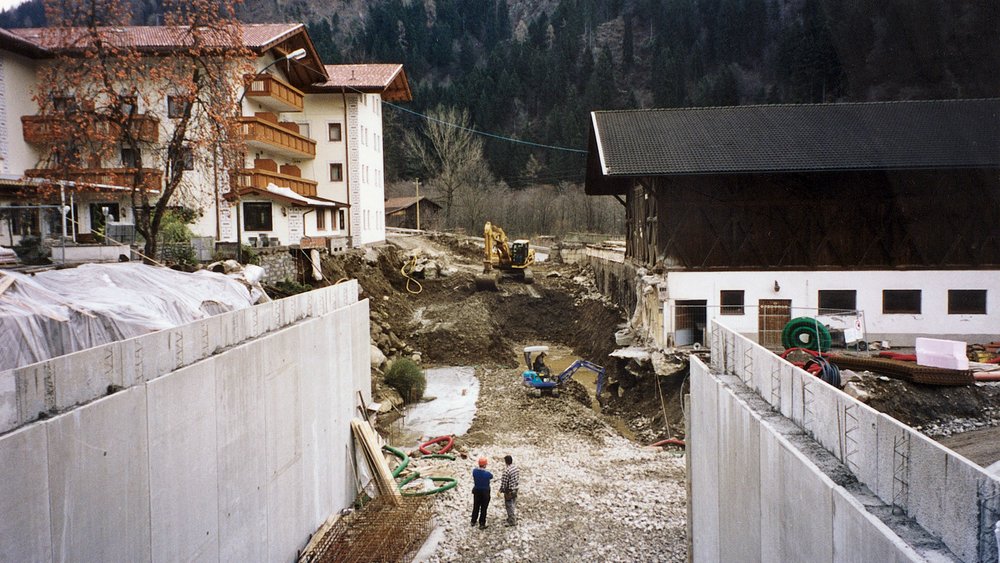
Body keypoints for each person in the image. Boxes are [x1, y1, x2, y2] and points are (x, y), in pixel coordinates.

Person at [471, 457, 493, 529]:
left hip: (477, 491)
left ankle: (473, 521)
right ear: (485, 465)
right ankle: (482, 523)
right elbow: (491, 476)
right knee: (484, 508)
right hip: (485, 492)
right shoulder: (487, 474)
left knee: (476, 506)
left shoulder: (474, 471)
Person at [498, 455, 520, 526]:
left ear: (506, 462)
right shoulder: (516, 468)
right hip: (516, 488)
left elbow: (504, 483)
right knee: (513, 504)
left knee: (509, 506)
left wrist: (500, 490)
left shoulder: (506, 471)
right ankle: (512, 518)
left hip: (509, 491)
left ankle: (512, 521)